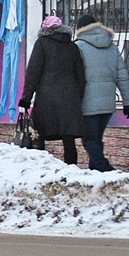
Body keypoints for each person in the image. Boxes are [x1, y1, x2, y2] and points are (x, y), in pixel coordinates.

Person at [73, 12, 129, 171]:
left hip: (87, 103)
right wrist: (128, 102)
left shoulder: (78, 46)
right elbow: (123, 76)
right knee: (96, 140)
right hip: (108, 104)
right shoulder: (112, 47)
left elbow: (73, 75)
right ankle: (96, 174)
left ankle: (106, 169)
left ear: (80, 29)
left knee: (88, 140)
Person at [19, 15, 85, 164]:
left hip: (46, 98)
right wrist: (78, 97)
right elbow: (81, 76)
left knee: (39, 134)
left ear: (45, 28)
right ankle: (71, 169)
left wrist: (25, 99)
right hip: (69, 98)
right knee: (68, 138)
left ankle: (40, 167)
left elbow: (33, 73)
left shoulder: (42, 43)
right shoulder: (72, 46)